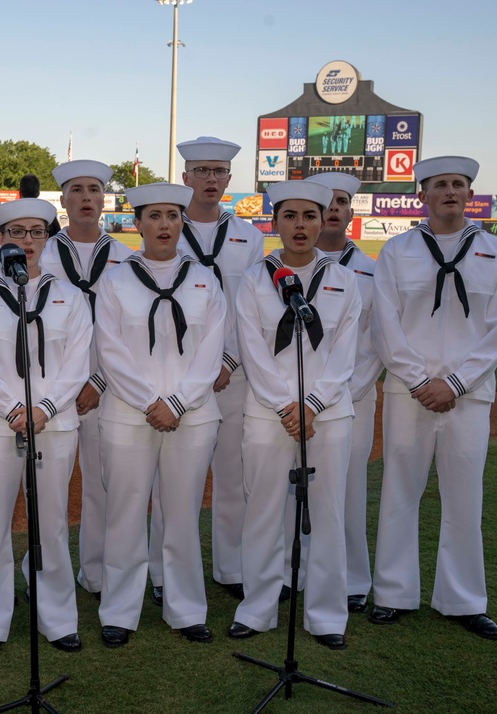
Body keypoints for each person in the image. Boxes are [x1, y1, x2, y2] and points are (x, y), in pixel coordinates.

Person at [369, 156, 497, 640]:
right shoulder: (397, 251)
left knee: (463, 498)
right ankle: (392, 593)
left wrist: (455, 383)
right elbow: (385, 323)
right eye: (440, 185)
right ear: (423, 195)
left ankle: (464, 601)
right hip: (408, 393)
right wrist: (418, 381)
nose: (450, 191)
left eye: (459, 184)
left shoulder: (496, 252)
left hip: (468, 397)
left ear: (469, 194)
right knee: (399, 493)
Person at [229, 179, 360, 650]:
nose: (300, 226)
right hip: (270, 411)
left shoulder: (346, 280)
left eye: (310, 216)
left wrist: (313, 405)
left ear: (325, 219)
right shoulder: (253, 278)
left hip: (327, 413)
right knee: (262, 511)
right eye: (290, 216)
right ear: (275, 222)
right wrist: (287, 404)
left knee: (328, 513)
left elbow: (346, 354)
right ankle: (258, 608)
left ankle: (326, 615)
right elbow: (253, 350)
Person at [0, 198, 91, 659]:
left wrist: (45, 408)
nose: (27, 242)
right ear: (1, 240)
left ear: (48, 239)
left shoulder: (70, 297)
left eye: (36, 232)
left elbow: (77, 364)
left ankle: (57, 619)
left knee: (51, 523)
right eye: (16, 232)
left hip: (55, 425)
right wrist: (15, 408)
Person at [96, 183, 225, 648]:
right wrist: (151, 400)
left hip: (191, 415)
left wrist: (177, 402)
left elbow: (212, 353)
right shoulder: (115, 280)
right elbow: (109, 350)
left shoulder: (205, 280)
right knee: (125, 513)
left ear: (183, 223)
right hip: (130, 414)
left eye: (173, 215)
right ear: (137, 223)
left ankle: (186, 608)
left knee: (182, 513)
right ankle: (119, 611)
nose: (165, 225)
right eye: (154, 216)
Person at [148, 137, 264, 606]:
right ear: (186, 178)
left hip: (232, 373)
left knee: (232, 473)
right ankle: (161, 571)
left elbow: (256, 307)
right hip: (175, 373)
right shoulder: (168, 227)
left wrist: (229, 360)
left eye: (219, 171)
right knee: (167, 478)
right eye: (202, 171)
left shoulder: (249, 237)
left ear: (230, 179)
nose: (212, 179)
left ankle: (230, 566)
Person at [41, 159, 132, 601]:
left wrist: (96, 379)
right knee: (45, 490)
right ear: (63, 200)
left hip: (107, 385)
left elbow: (130, 333)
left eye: (94, 190)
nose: (86, 198)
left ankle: (96, 574)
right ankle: (40, 575)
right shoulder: (39, 253)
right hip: (50, 384)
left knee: (101, 484)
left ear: (103, 199)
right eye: (76, 190)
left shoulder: (127, 258)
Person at [305, 172, 382, 614]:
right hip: (297, 402)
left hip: (352, 397)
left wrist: (340, 392)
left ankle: (353, 578)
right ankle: (296, 574)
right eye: (326, 202)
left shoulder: (371, 270)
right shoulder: (287, 267)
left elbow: (375, 341)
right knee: (296, 487)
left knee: (346, 492)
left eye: (340, 203)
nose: (333, 209)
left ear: (350, 213)